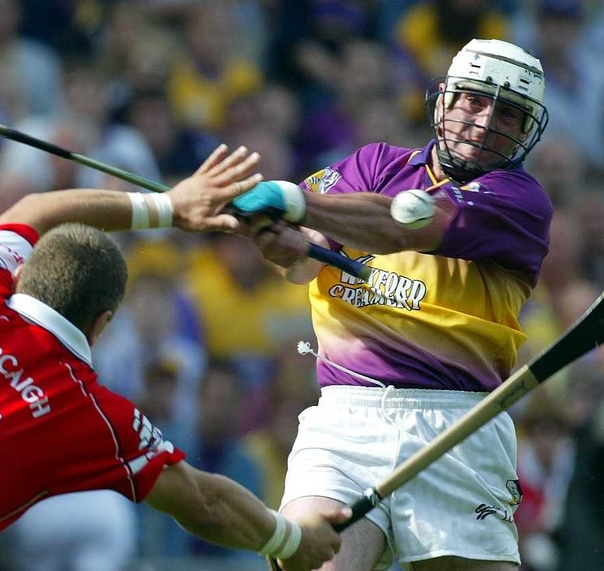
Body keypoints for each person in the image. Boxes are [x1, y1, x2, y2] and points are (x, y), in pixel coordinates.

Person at [0, 144, 347, 571]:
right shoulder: (90, 416)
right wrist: (290, 540)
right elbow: (203, 501)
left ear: (21, 271)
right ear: (102, 325)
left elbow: (32, 210)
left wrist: (170, 207)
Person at [229, 39, 553, 570]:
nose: (485, 121)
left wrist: (295, 202)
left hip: (458, 428)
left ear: (524, 132)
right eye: (473, 100)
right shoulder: (374, 164)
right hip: (345, 420)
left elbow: (403, 224)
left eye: (508, 113)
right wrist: (285, 244)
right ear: (444, 101)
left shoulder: (520, 201)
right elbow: (303, 263)